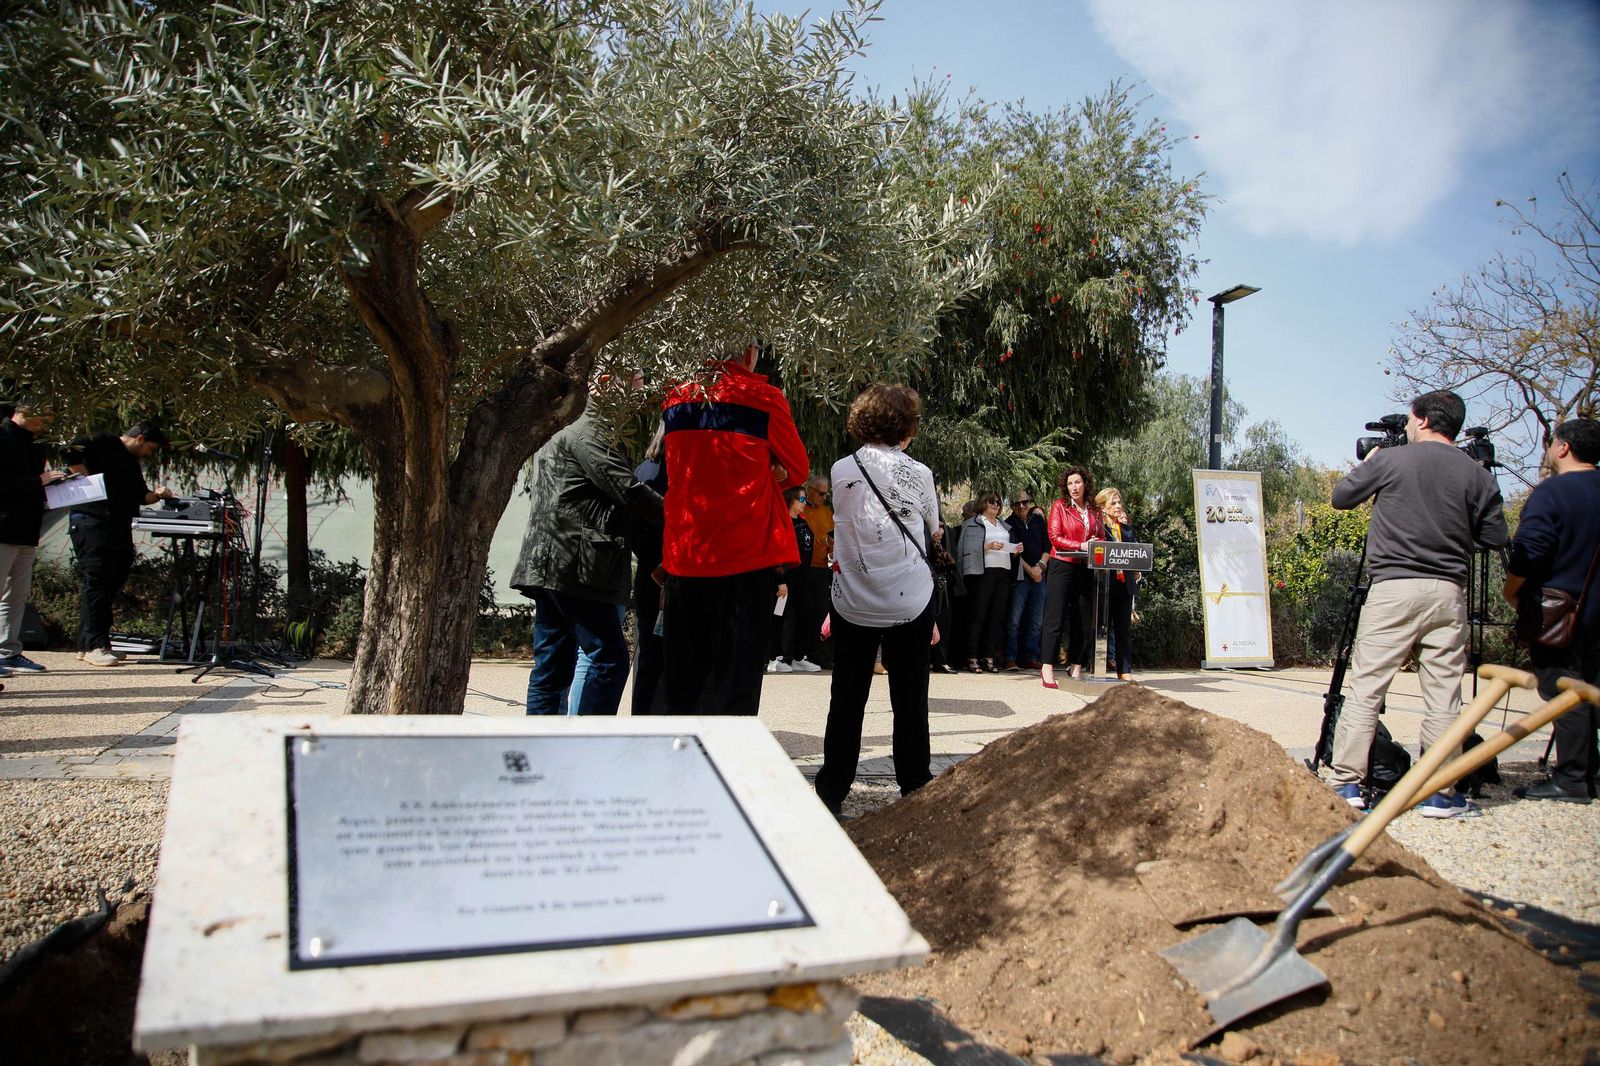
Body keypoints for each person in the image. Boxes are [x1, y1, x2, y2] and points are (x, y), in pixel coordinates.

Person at [1328, 390, 1507, 816]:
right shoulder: (1477, 474)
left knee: (1367, 688)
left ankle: (1347, 786)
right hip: (1447, 592)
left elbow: (1341, 497)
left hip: (1393, 587)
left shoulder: (1391, 460)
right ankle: (1440, 792)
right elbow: (1495, 536)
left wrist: (1371, 463)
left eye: (1411, 419)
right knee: (1444, 696)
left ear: (1423, 420)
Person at [660, 341, 808, 715]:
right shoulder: (765, 398)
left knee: (683, 680)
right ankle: (730, 749)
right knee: (737, 680)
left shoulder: (676, 396)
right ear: (749, 352)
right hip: (745, 554)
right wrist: (767, 471)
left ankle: (680, 749)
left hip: (685, 553)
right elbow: (798, 469)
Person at [814, 384, 939, 818]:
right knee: (910, 698)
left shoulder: (840, 469)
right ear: (906, 426)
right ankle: (915, 785)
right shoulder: (920, 473)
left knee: (847, 699)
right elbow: (933, 529)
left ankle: (832, 790)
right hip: (909, 599)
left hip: (853, 598)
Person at [511, 387, 664, 716]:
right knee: (609, 659)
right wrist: (683, 517)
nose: (641, 396)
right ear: (609, 381)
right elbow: (628, 490)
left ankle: (542, 741)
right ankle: (589, 739)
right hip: (574, 565)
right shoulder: (589, 428)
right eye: (636, 385)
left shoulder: (569, 424)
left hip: (551, 563)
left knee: (552, 665)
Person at [1503, 418, 1600, 803]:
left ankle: (1572, 778)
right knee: (1592, 686)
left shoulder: (1553, 493)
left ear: (1563, 447)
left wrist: (1512, 592)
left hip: (1559, 611)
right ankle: (1590, 767)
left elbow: (1530, 551)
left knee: (1563, 687)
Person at [66, 422, 176, 666]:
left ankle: (89, 642)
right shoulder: (104, 440)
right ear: (139, 438)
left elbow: (142, 496)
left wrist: (158, 494)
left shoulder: (131, 463)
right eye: (150, 448)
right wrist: (84, 478)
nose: (149, 453)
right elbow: (69, 449)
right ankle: (95, 645)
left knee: (111, 581)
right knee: (97, 581)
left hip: (118, 525)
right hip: (92, 521)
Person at [1, 398, 68, 675]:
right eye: (43, 419)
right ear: (25, 412)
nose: (44, 426)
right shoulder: (2, 436)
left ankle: (7, 652)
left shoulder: (33, 444)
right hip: (3, 527)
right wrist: (38, 481)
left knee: (16, 595)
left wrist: (56, 485)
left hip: (27, 529)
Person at [1039, 466, 1103, 687]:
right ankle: (1047, 667)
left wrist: (1095, 543)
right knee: (1055, 618)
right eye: (1069, 484)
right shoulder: (1060, 506)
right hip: (1062, 565)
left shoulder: (1095, 510)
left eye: (1077, 482)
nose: (1074, 487)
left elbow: (1101, 535)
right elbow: (1054, 537)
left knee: (1083, 619)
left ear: (1085, 484)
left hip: (1086, 567)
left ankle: (1076, 665)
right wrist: (1081, 545)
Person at [957, 492, 1018, 673]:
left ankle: (988, 656)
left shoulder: (1004, 525)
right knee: (978, 615)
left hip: (1003, 571)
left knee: (996, 616)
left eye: (998, 502)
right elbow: (964, 549)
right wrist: (988, 546)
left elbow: (1009, 548)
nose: (996, 505)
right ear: (983, 503)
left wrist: (1015, 549)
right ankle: (972, 656)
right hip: (982, 572)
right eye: (992, 501)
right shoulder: (973, 523)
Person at [768, 486, 818, 673]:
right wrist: (780, 580)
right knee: (779, 616)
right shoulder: (782, 522)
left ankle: (799, 656)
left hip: (802, 577)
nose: (805, 503)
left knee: (806, 614)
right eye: (802, 500)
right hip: (785, 577)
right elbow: (777, 551)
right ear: (791, 500)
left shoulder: (802, 521)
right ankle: (775, 657)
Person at [1096, 487, 1139, 681]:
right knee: (1100, 628)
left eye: (1119, 502)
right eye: (1113, 503)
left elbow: (1135, 553)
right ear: (1102, 507)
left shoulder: (1126, 529)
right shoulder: (1099, 529)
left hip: (1125, 585)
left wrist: (1137, 568)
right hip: (1105, 584)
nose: (1118, 506)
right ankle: (1094, 668)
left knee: (1123, 630)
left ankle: (1124, 671)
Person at [1003, 491, 1048, 670]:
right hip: (1020, 576)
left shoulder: (1038, 521)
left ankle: (1032, 656)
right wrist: (1031, 571)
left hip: (1040, 575)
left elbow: (1048, 547)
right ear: (1011, 505)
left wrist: (1040, 567)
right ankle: (1011, 657)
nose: (1021, 506)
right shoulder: (1008, 524)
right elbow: (1013, 551)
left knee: (1037, 621)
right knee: (1014, 620)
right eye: (1016, 503)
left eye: (1024, 502)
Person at [799, 474, 835, 669]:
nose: (824, 497)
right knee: (802, 611)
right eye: (821, 494)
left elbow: (832, 537)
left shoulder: (826, 512)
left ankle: (819, 654)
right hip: (802, 567)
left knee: (821, 612)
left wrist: (831, 548)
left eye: (826, 494)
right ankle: (795, 653)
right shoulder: (800, 508)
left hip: (821, 568)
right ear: (810, 491)